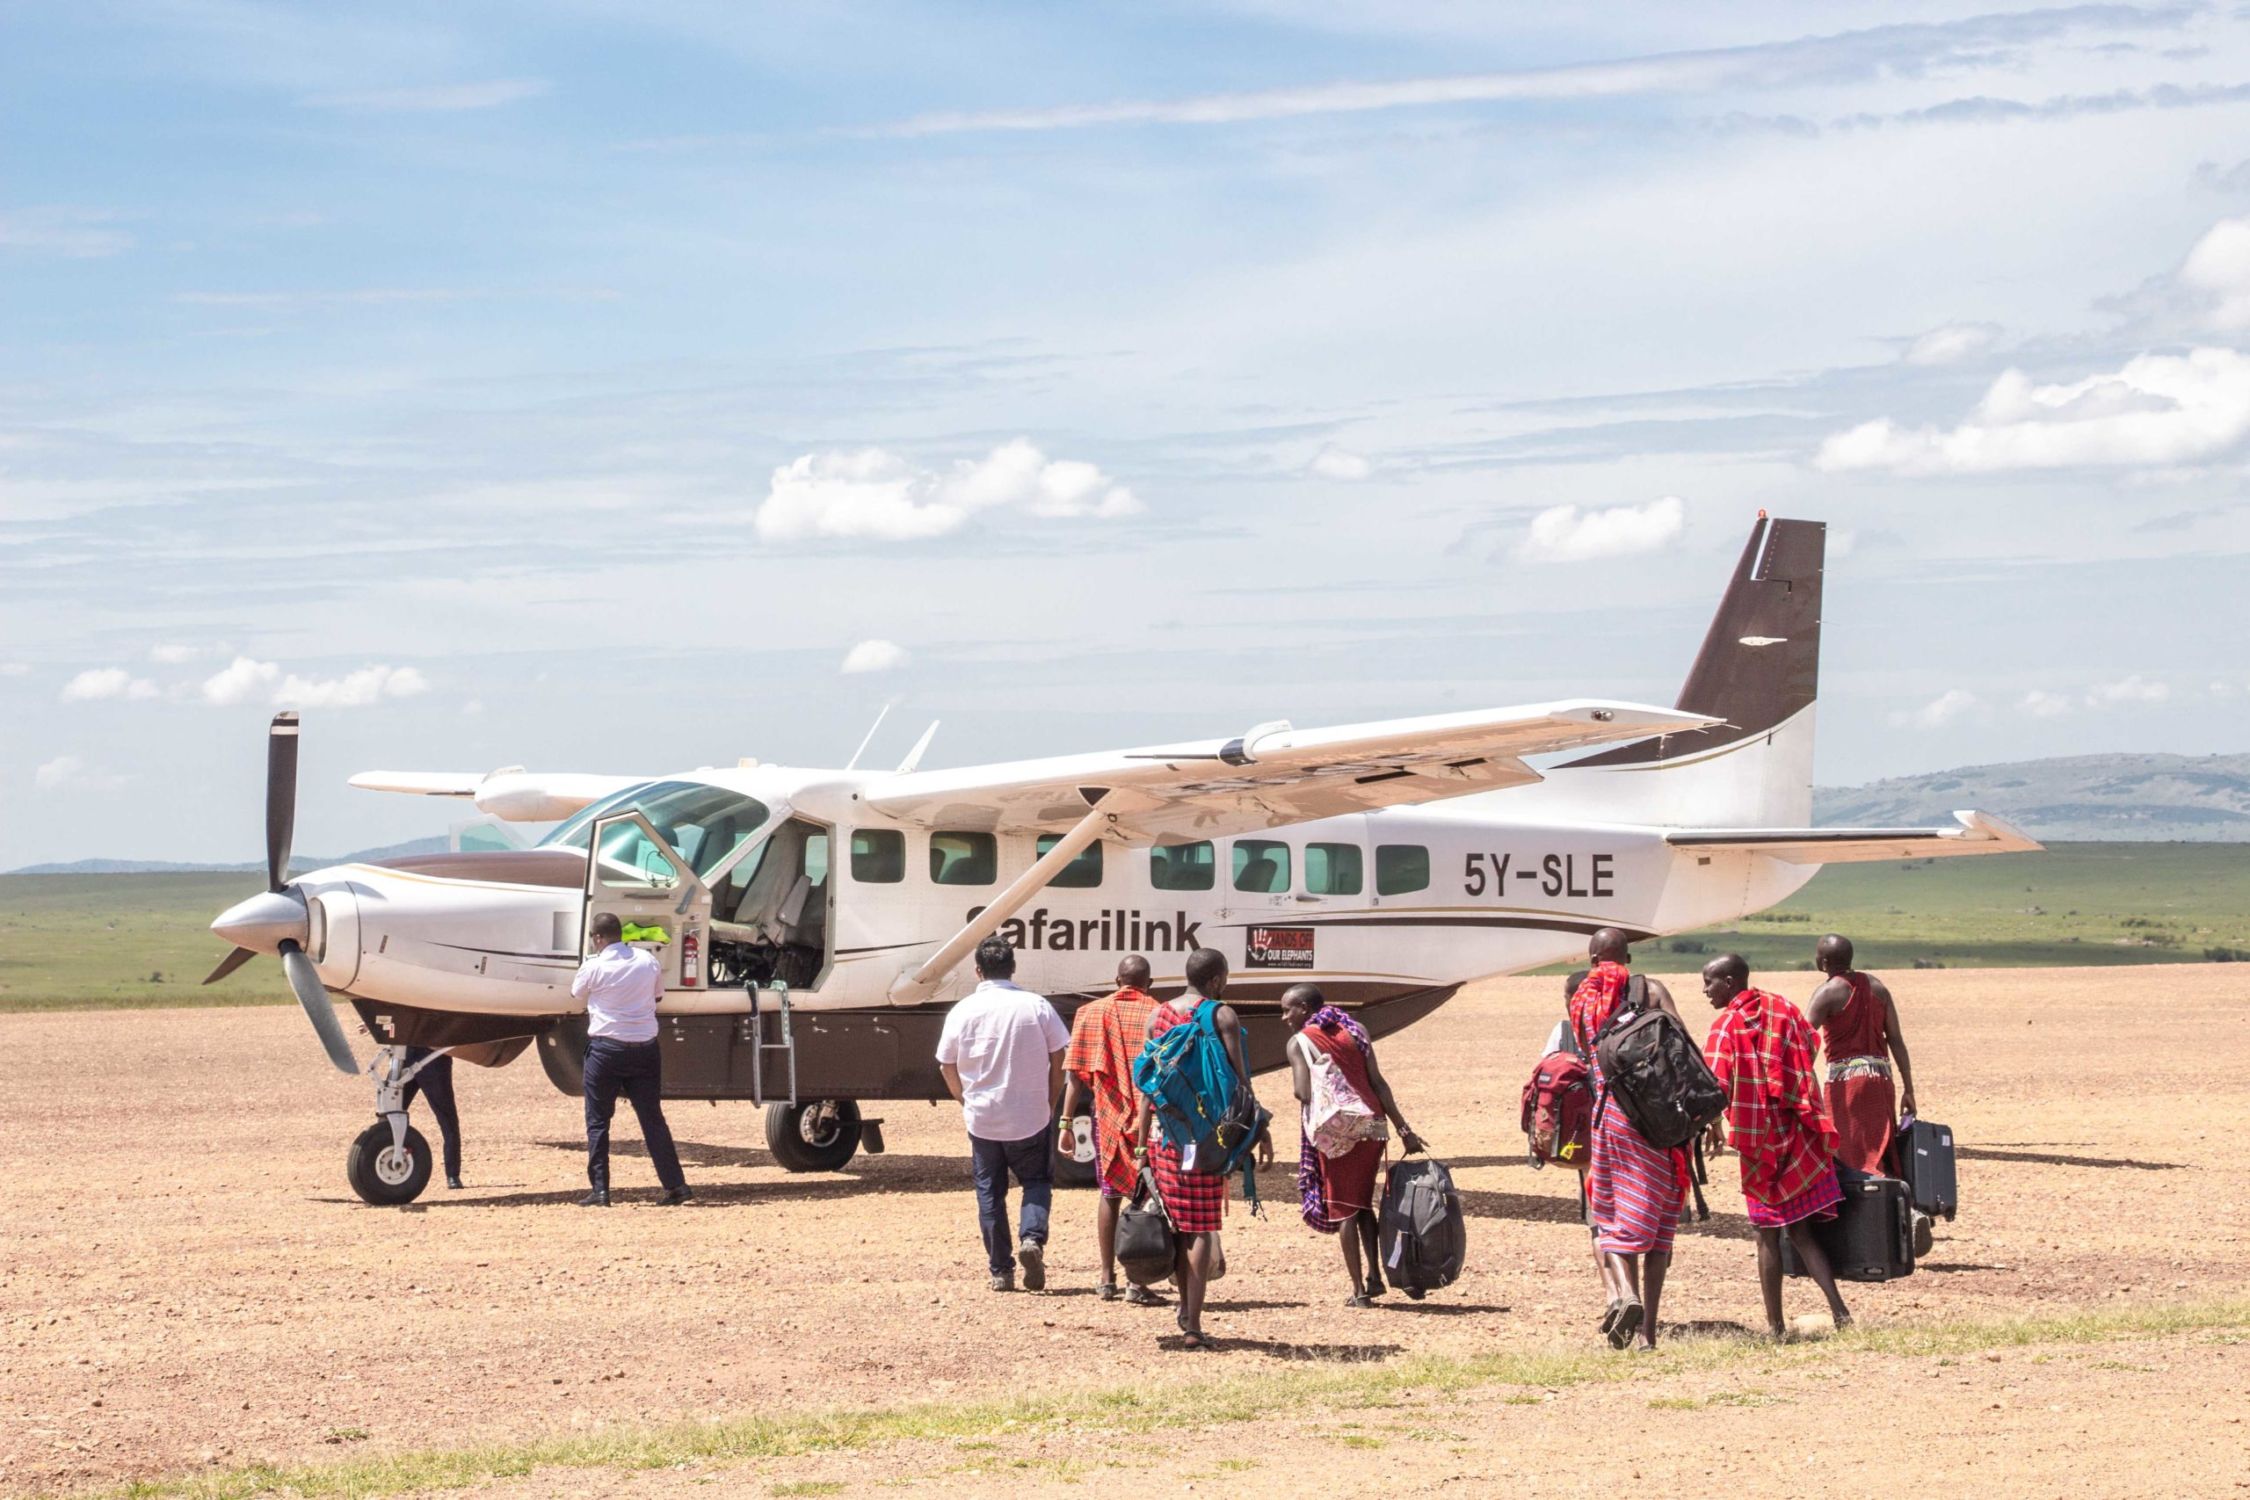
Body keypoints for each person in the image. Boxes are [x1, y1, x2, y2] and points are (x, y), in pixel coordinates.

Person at [1699, 953, 1853, 1339]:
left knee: (1766, 1233)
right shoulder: (1782, 1007)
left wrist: (1713, 1121)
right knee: (1800, 1231)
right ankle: (1840, 1312)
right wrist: (1787, 1081)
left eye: (1710, 983)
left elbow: (1714, 1085)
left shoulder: (1726, 1027)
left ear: (1731, 982)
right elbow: (1809, 1044)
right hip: (1796, 1130)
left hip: (1758, 1142)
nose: (1705, 991)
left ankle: (1775, 1327)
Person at [1133, 947, 1273, 1351]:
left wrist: (1142, 1141)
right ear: (1215, 981)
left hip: (1166, 1137)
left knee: (1178, 1223)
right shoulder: (1221, 1015)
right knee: (1201, 1229)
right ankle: (1193, 1323)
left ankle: (1183, 1309)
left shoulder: (1157, 1016)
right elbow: (1239, 1082)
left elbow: (1149, 1083)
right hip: (1208, 1139)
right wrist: (1257, 1131)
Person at [1569, 927, 1687, 1350]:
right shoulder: (1652, 990)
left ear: (1593, 958)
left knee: (1612, 1218)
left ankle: (1627, 1295)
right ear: (1628, 957)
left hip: (1613, 1124)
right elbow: (1682, 1046)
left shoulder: (1582, 999)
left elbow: (1587, 1054)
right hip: (1660, 1125)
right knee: (1657, 1229)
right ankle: (1648, 1334)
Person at [937, 935, 1070, 1293]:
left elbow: (946, 1063)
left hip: (983, 1119)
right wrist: (1051, 1096)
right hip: (1030, 1115)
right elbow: (1061, 1055)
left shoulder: (961, 1011)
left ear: (978, 971)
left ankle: (1001, 1270)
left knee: (989, 1193)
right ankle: (1032, 1239)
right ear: (1013, 968)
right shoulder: (1036, 1006)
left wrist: (964, 1099)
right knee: (1037, 1182)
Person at [1281, 982, 1426, 1307]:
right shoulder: (1355, 1029)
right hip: (1372, 1127)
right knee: (1360, 1202)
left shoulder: (1299, 1042)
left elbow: (1302, 1092)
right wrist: (1404, 1129)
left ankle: (1359, 1289)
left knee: (1343, 1208)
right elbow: (1377, 1082)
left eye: (1287, 1009)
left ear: (1304, 1009)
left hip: (1339, 1132)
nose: (1284, 1017)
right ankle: (1375, 1276)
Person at [1058, 955, 1164, 1303]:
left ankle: (1106, 1278)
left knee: (1108, 1194)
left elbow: (1074, 1074)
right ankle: (1137, 1281)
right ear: (1149, 983)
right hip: (1148, 1123)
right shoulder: (1160, 1014)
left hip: (1107, 1118)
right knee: (1145, 1196)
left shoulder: (1090, 1013)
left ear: (1117, 980)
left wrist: (1066, 1123)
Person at [570, 912, 691, 1207]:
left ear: (598, 938)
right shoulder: (646, 960)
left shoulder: (594, 966)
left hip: (606, 1050)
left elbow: (576, 994)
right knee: (652, 1120)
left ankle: (601, 1190)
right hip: (645, 1049)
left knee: (598, 1121)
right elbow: (658, 996)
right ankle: (676, 1186)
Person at [1808, 935, 1917, 1176]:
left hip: (1846, 1086)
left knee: (1849, 1152)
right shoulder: (1878, 987)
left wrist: (1801, 1081)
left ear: (1824, 962)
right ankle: (1899, 1205)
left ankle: (1864, 1205)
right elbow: (1896, 1040)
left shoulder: (1827, 993)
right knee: (1881, 1147)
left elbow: (1803, 1039)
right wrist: (1909, 1089)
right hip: (1881, 1080)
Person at [400, 1045, 464, 1190]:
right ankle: (399, 1162)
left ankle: (453, 1175)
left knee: (447, 1119)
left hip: (434, 1058)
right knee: (390, 1113)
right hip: (406, 1055)